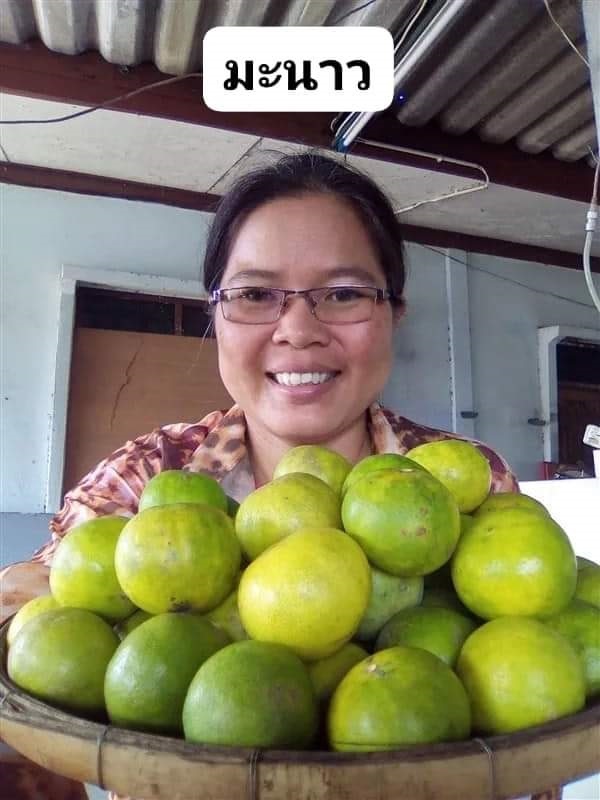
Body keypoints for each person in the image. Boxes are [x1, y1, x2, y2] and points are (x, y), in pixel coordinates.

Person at [0, 152, 561, 800]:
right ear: (215, 315)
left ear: (394, 312)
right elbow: (37, 610)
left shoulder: (464, 482)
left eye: (344, 293)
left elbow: (526, 724)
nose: (297, 330)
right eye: (255, 294)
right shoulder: (151, 473)